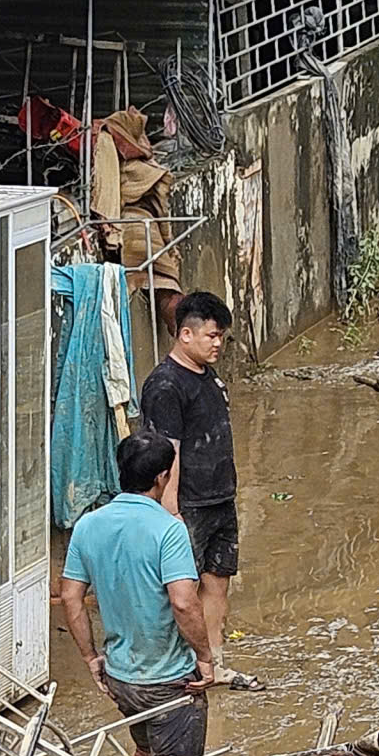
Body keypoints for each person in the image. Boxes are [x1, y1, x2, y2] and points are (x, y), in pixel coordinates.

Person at [59, 431, 216, 756]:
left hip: (122, 679)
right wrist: (205, 658)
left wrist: (90, 657)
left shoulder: (88, 525)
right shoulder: (168, 530)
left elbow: (70, 597)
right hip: (170, 681)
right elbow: (184, 603)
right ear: (162, 477)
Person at [138, 289, 263, 691]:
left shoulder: (208, 376)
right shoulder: (165, 386)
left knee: (217, 581)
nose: (218, 344)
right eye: (211, 336)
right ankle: (173, 668)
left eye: (221, 336)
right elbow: (165, 453)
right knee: (181, 589)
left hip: (220, 498)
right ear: (185, 335)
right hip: (186, 505)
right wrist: (169, 512)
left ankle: (212, 662)